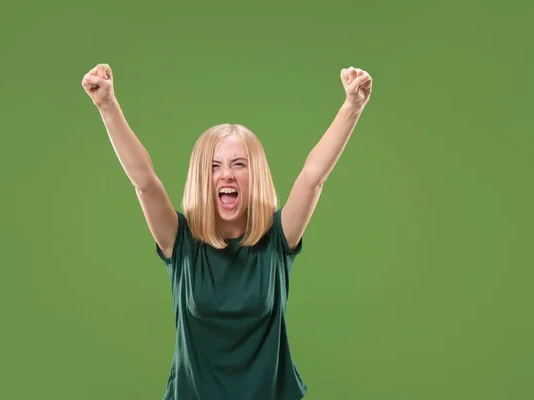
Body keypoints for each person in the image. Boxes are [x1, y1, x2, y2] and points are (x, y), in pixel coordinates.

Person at [81, 63, 372, 400]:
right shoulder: (180, 241)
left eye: (238, 164)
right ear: (202, 177)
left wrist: (352, 106)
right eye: (214, 166)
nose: (226, 176)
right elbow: (144, 182)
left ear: (256, 173)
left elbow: (313, 175)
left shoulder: (278, 237)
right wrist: (107, 105)